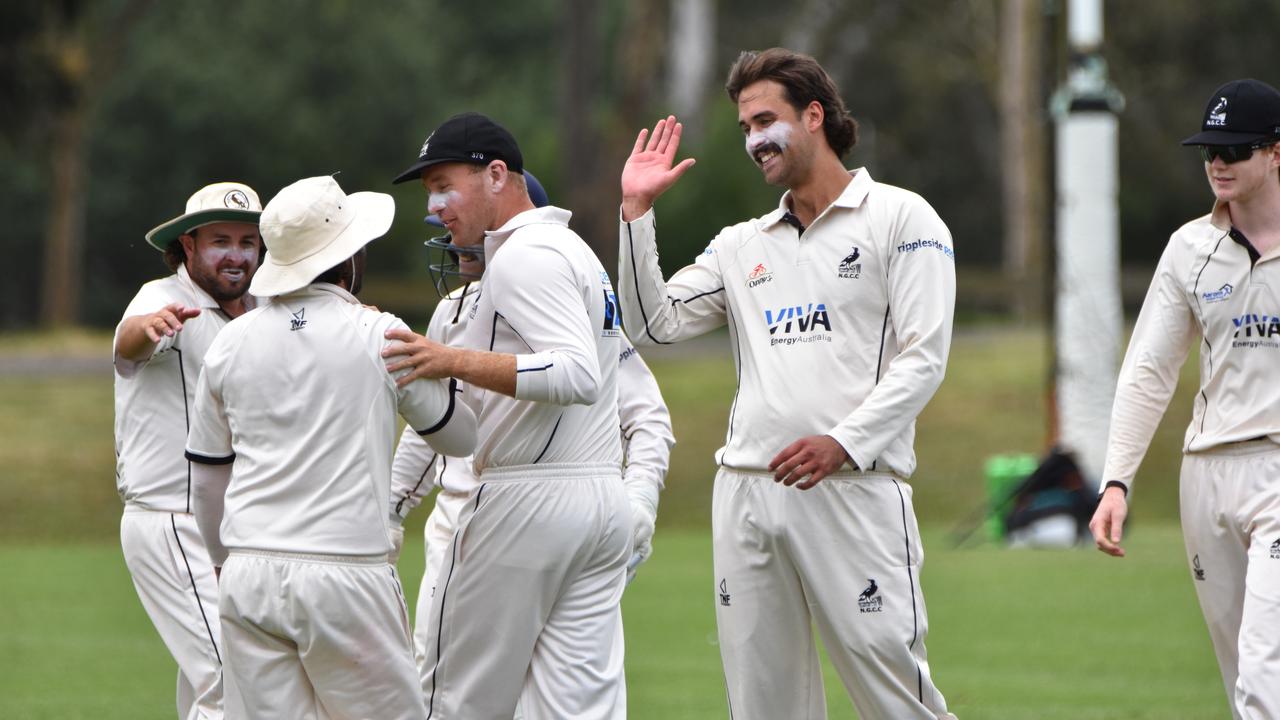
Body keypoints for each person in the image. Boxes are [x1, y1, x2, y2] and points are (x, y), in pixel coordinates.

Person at [617, 48, 958, 719]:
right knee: (762, 705)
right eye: (744, 127)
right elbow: (652, 326)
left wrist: (843, 442)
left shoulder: (901, 218)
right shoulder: (741, 244)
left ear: (814, 114)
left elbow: (925, 357)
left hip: (853, 489)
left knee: (896, 696)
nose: (753, 141)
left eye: (765, 120)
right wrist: (635, 212)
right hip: (746, 491)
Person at [184, 175, 477, 720]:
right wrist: (449, 366)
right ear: (349, 260)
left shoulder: (230, 342)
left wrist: (225, 564)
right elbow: (459, 437)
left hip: (248, 569)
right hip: (346, 571)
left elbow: (206, 478)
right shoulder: (381, 333)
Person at [386, 111, 632, 720]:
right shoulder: (571, 248)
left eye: (445, 186)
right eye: (429, 193)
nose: (435, 207)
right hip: (599, 502)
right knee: (574, 711)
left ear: (497, 175)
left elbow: (576, 375)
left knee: (453, 700)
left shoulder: (523, 255)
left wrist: (450, 360)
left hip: (528, 501)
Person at [1089, 78, 1280, 718]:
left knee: (1265, 672)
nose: (1218, 163)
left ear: (1276, 152)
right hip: (1207, 477)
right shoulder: (1189, 249)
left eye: (1236, 150)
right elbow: (1149, 370)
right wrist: (1117, 480)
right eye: (1209, 152)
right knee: (1239, 680)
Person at [113, 181, 263, 720]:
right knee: (232, 681)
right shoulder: (164, 299)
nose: (236, 254)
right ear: (189, 246)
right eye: (220, 239)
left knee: (210, 683)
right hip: (172, 519)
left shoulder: (263, 308)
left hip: (230, 524)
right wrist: (147, 331)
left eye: (248, 241)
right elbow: (129, 341)